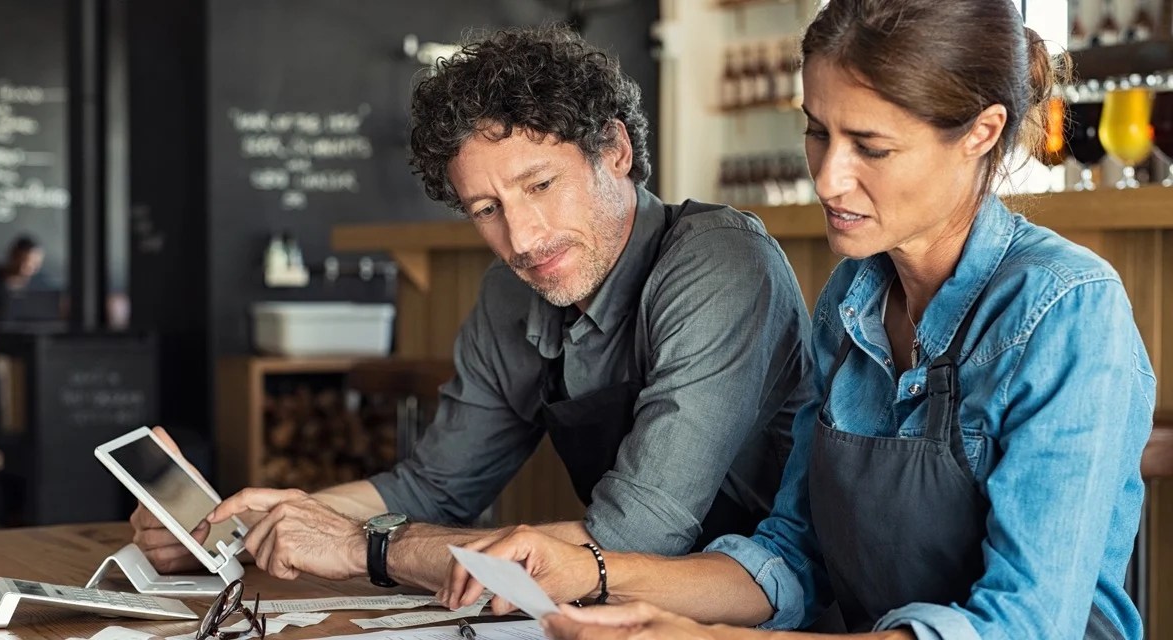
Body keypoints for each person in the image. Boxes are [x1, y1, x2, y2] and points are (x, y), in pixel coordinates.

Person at [441, 2, 1154, 638]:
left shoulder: (1067, 308)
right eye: (818, 132)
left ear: (981, 132)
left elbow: (1025, 625)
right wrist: (590, 572)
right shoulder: (852, 299)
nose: (828, 177)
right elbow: (789, 556)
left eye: (870, 147)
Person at [131, 25, 814, 591]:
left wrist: (365, 548)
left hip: (775, 612)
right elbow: (433, 486)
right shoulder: (509, 294)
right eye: (486, 210)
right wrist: (243, 525)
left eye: (540, 185)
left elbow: (633, 538)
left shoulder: (719, 264)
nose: (521, 239)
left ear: (614, 151)